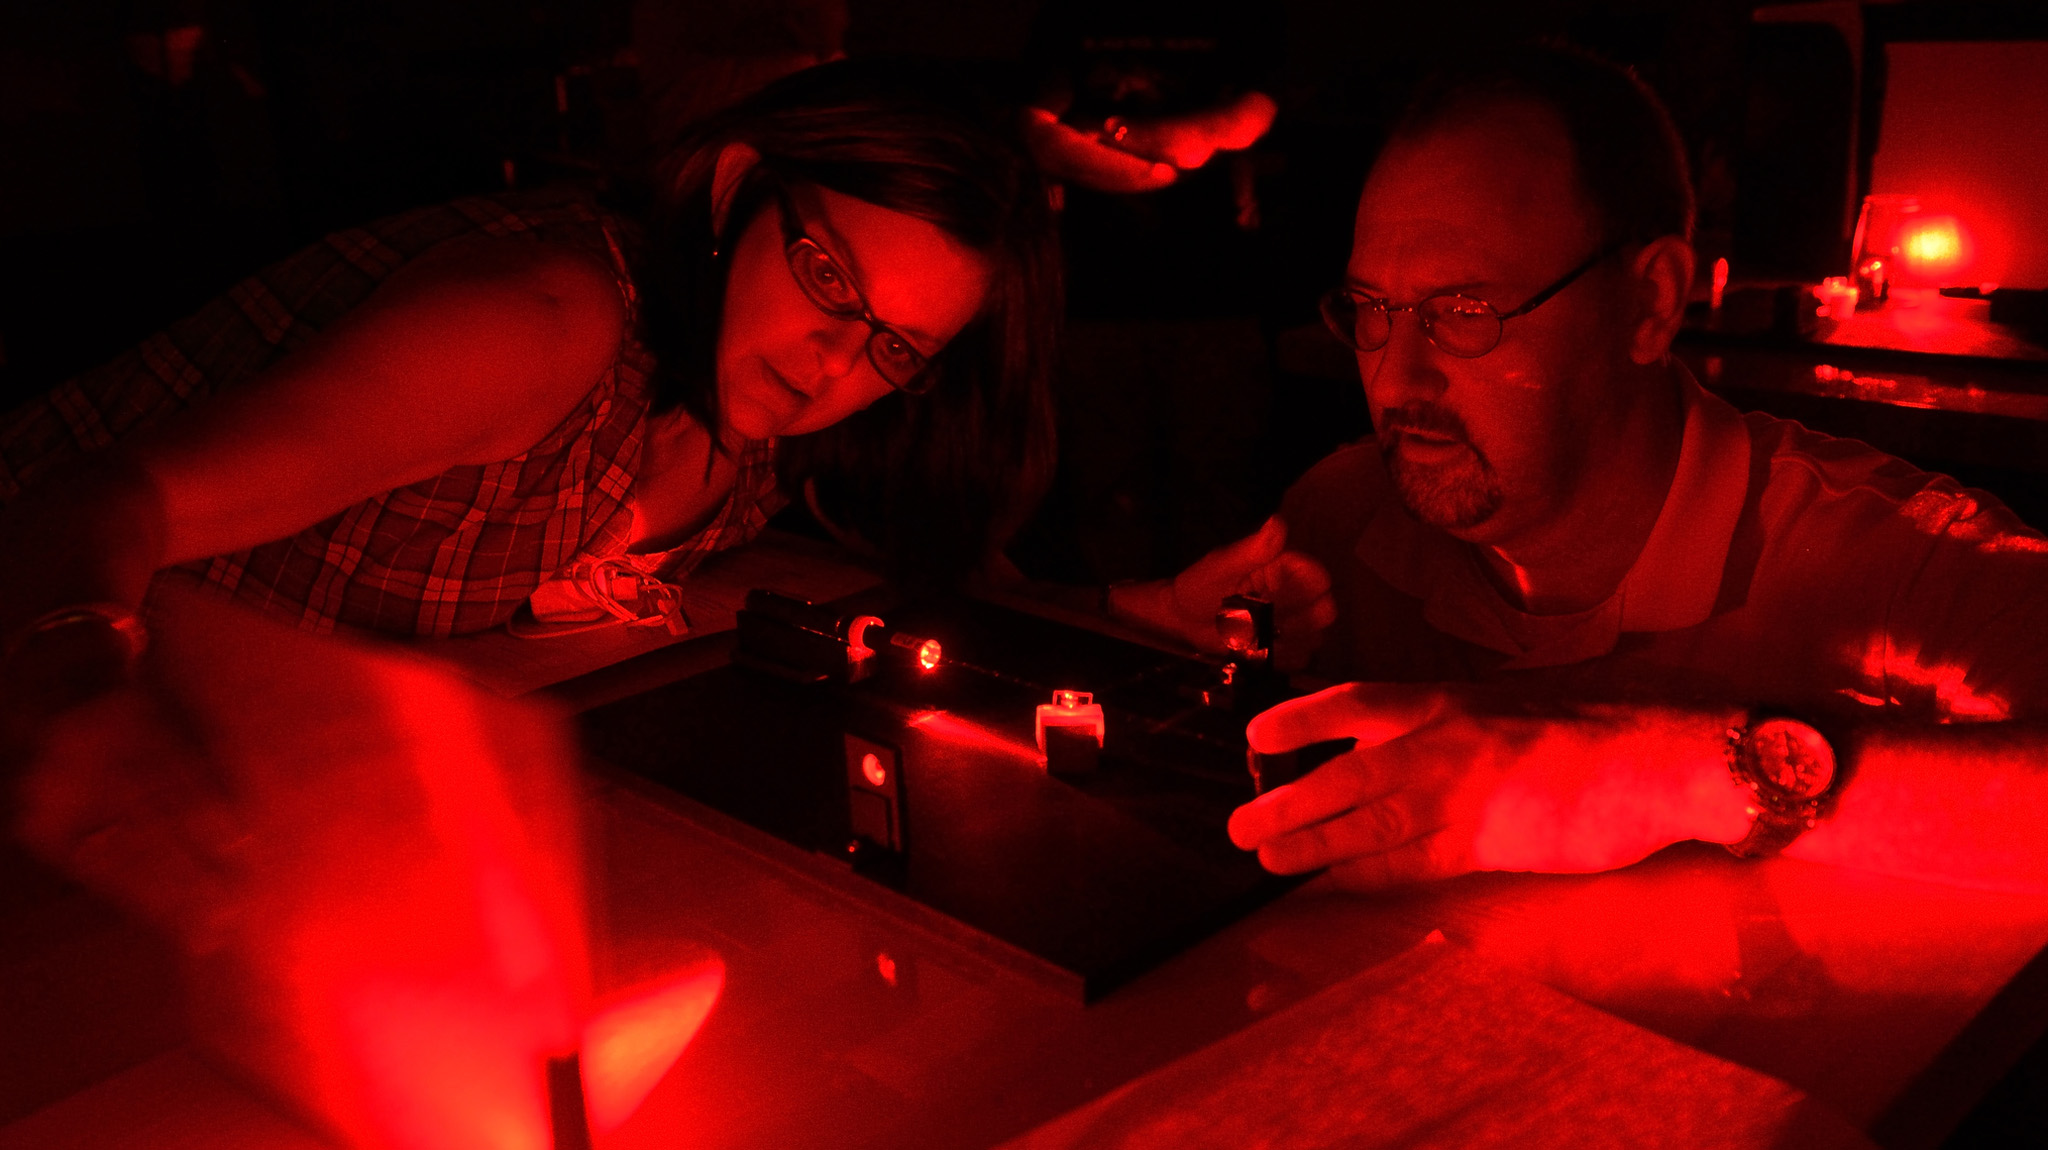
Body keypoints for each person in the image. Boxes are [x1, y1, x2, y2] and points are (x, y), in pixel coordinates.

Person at [1113, 43, 2048, 895]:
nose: (1396, 379)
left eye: (1464, 310)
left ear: (1649, 302)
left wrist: (1656, 769)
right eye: (1372, 310)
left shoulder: (1887, 553)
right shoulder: (1341, 522)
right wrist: (1162, 643)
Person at [0, 58, 1059, 661]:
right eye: (830, 278)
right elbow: (94, 500)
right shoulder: (545, 324)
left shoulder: (756, 416)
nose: (838, 360)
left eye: (894, 344)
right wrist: (79, 696)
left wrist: (1123, 619)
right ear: (736, 190)